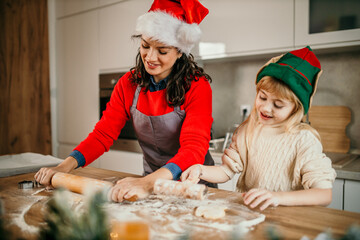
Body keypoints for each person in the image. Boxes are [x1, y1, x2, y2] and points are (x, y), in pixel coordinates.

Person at [35, 0, 216, 202]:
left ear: (180, 51)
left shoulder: (197, 86)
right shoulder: (128, 84)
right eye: (145, 46)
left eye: (162, 51)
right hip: (149, 186)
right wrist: (63, 167)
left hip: (193, 188)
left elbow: (193, 148)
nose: (150, 57)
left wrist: (149, 183)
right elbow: (103, 134)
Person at [181, 46, 337, 211]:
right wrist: (200, 170)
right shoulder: (248, 130)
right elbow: (226, 171)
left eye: (278, 105)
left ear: (295, 109)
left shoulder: (304, 139)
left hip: (289, 220)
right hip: (250, 215)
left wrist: (277, 197)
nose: (266, 108)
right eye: (262, 97)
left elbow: (324, 194)